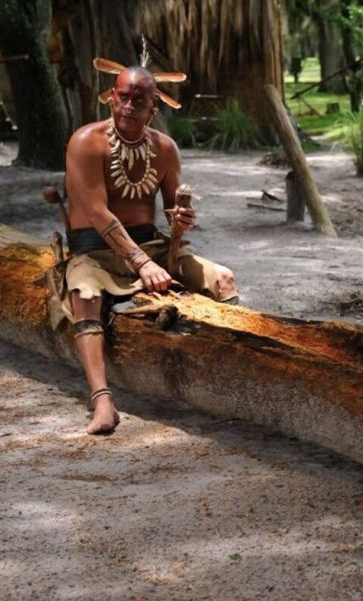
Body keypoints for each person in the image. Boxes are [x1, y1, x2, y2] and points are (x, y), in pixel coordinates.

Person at [61, 60, 237, 435]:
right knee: (84, 293)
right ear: (111, 98)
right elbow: (96, 211)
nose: (128, 107)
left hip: (154, 250)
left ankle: (231, 380)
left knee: (223, 279)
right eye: (122, 97)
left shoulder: (165, 149)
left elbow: (176, 207)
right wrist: (140, 263)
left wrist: (183, 218)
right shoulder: (85, 142)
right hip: (96, 254)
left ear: (153, 108)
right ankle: (102, 401)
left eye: (138, 101)